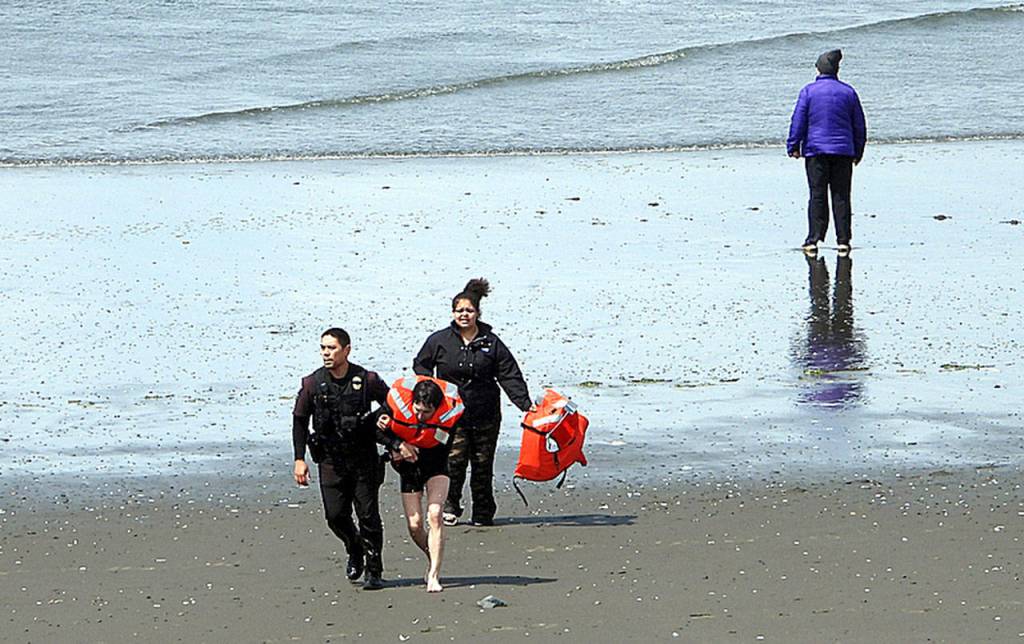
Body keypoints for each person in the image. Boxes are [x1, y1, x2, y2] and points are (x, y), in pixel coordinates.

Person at [291, 327, 415, 590]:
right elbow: (300, 420)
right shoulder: (313, 384)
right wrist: (299, 458)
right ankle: (354, 547)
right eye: (323, 348)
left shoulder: (366, 379)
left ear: (346, 350)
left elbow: (394, 403)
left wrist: (385, 422)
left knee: (368, 515)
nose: (326, 353)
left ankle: (374, 571)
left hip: (363, 458)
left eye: (332, 348)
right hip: (330, 460)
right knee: (335, 516)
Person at [413, 278, 533, 527]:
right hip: (450, 415)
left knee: (482, 464)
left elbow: (509, 374)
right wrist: (430, 394)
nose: (464, 315)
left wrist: (525, 404)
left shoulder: (492, 342)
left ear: (478, 312)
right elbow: (421, 365)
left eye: (469, 310)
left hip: (486, 413)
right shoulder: (439, 341)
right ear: (453, 312)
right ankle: (451, 506)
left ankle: (483, 512)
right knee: (453, 462)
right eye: (459, 311)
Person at [376, 378, 462, 592]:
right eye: (418, 410)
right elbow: (374, 430)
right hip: (408, 468)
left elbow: (447, 445)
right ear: (412, 403)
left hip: (436, 466)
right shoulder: (395, 407)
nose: (421, 416)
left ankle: (434, 574)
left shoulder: (451, 414)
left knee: (435, 514)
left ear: (437, 408)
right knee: (415, 525)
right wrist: (396, 444)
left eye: (427, 412)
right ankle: (432, 553)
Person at [787, 49, 867, 255]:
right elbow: (859, 125)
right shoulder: (848, 92)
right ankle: (843, 240)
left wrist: (793, 145)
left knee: (817, 195)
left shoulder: (808, 91)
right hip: (843, 152)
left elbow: (798, 120)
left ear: (818, 69)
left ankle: (813, 239)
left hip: (816, 151)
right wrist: (858, 151)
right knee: (841, 196)